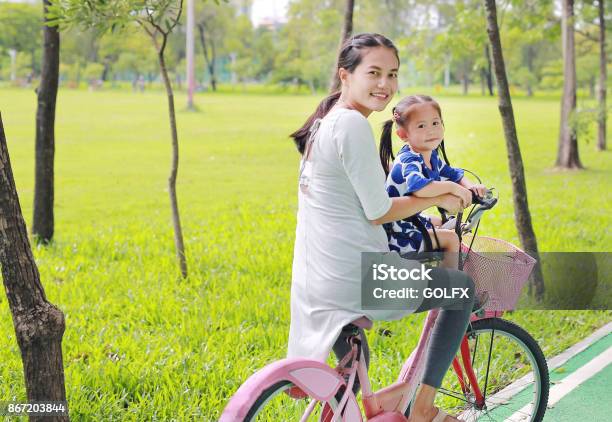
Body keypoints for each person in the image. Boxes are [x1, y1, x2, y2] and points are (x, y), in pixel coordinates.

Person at [287, 33, 475, 422]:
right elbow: (378, 211)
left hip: (316, 281)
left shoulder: (324, 123)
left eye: (392, 74)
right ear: (345, 75)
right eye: (373, 73)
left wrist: (426, 203)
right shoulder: (353, 125)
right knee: (461, 290)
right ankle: (423, 407)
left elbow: (357, 202)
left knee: (358, 370)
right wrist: (441, 197)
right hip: (363, 279)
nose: (385, 85)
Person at [379, 95, 486, 268]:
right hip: (396, 232)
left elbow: (452, 173)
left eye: (435, 123)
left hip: (409, 220)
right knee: (452, 238)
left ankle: (437, 271)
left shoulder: (430, 156)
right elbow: (420, 188)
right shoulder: (409, 159)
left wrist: (471, 187)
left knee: (440, 222)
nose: (431, 131)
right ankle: (449, 288)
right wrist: (454, 189)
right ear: (403, 134)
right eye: (421, 126)